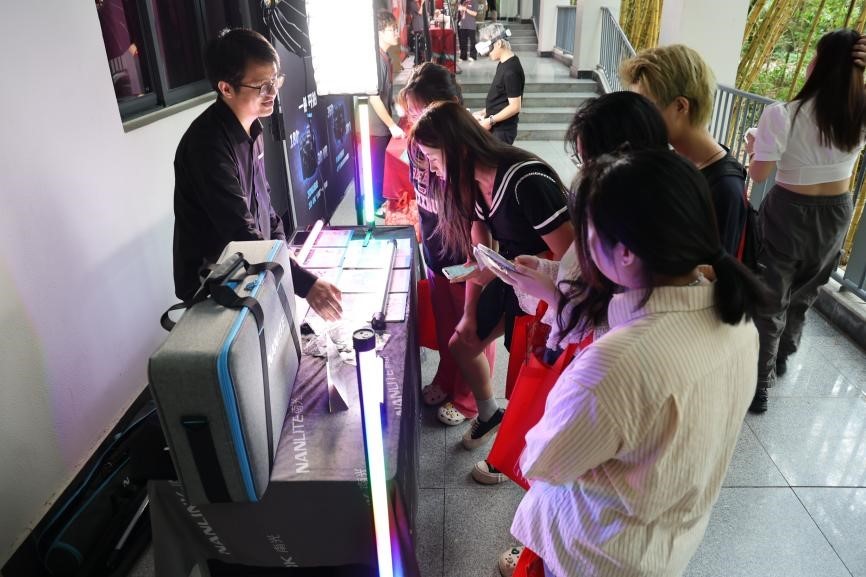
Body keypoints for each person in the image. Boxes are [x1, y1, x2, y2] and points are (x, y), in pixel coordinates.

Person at [508, 149, 770, 577]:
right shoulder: (737, 318)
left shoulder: (616, 365)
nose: (581, 246)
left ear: (626, 252)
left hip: (595, 557)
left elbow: (542, 462)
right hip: (664, 546)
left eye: (587, 233)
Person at [472, 91, 671, 488]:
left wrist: (551, 291)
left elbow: (604, 312)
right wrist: (549, 275)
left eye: (589, 158)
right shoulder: (632, 201)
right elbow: (585, 277)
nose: (586, 171)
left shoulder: (630, 223)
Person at [410, 101, 575, 451]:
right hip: (517, 277)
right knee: (462, 343)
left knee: (529, 377)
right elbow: (480, 253)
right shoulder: (473, 182)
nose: (433, 170)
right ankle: (490, 415)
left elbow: (572, 258)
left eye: (434, 159)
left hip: (549, 292)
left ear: (458, 148)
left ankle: (520, 454)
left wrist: (524, 277)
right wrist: (469, 314)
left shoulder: (526, 180)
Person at [172, 28, 342, 320]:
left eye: (275, 81)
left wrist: (283, 253)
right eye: (262, 86)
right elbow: (239, 230)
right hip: (215, 283)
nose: (273, 93)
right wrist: (306, 283)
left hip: (250, 265)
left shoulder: (251, 127)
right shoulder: (207, 145)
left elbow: (265, 206)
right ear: (226, 88)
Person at [744, 29, 866, 413]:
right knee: (807, 288)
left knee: (770, 297)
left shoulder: (783, 114)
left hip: (788, 212)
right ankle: (783, 353)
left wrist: (754, 147)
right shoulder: (859, 112)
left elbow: (759, 174)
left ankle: (759, 384)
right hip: (837, 212)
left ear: (820, 64)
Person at [397, 63, 497, 426]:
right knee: (445, 323)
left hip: (465, 253)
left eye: (420, 111)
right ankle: (446, 376)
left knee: (469, 328)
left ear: (449, 107)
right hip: (435, 248)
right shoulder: (415, 142)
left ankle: (469, 398)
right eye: (411, 113)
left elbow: (480, 219)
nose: (414, 121)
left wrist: (475, 259)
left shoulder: (470, 150)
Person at [621, 44, 748, 258]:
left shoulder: (724, 188)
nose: (639, 117)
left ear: (680, 106)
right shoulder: (672, 162)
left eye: (646, 107)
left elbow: (717, 271)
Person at [370, 10, 405, 218]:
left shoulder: (385, 58)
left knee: (381, 167)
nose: (396, 34)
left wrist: (395, 106)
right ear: (380, 32)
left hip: (382, 125)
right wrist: (392, 125)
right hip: (374, 127)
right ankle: (376, 206)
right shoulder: (377, 60)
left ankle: (382, 203)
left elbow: (384, 93)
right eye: (392, 29)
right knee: (376, 169)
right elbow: (374, 98)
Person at [473, 23, 524, 144]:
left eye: (489, 48)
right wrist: (485, 112)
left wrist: (490, 120)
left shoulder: (511, 70)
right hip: (496, 127)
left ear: (499, 43)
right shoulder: (503, 63)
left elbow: (515, 107)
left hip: (502, 131)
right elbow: (501, 98)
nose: (487, 53)